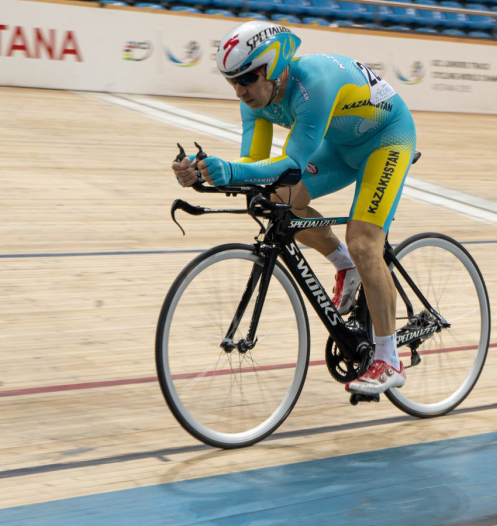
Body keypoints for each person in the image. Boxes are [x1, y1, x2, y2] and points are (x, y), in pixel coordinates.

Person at [171, 20, 417, 396]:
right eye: (232, 81)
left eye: (248, 79)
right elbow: (255, 166)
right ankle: (344, 266)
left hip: (387, 138)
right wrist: (202, 173)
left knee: (364, 240)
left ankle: (389, 360)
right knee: (275, 201)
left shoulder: (311, 85)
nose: (240, 91)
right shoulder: (256, 98)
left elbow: (290, 166)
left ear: (273, 67)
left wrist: (230, 170)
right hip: (338, 144)